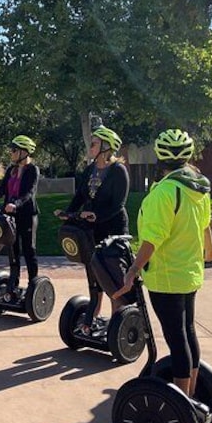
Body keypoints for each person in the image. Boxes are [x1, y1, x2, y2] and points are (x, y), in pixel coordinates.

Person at [113, 129, 212, 397]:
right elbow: (206, 224)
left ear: (159, 158)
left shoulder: (164, 192)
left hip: (166, 277)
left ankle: (182, 400)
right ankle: (191, 392)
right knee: (187, 332)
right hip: (190, 274)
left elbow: (152, 239)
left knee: (176, 340)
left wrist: (133, 270)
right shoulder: (198, 187)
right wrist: (210, 250)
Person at [54, 125, 129, 334]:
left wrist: (97, 216)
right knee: (93, 272)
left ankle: (118, 322)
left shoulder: (118, 171)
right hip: (91, 228)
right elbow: (80, 195)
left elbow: (118, 205)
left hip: (113, 228)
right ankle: (91, 319)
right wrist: (68, 213)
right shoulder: (90, 169)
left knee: (113, 278)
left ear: (106, 146)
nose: (91, 146)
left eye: (95, 143)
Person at [0, 135, 40, 282]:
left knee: (29, 250)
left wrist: (16, 204)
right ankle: (14, 280)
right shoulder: (11, 170)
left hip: (27, 215)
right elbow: (1, 190)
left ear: (24, 152)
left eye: (14, 150)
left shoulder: (33, 169)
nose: (11, 153)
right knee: (12, 249)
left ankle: (33, 283)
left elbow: (29, 193)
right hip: (10, 215)